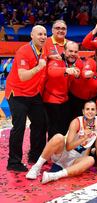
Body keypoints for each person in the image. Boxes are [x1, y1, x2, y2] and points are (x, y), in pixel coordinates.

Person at [26, 101, 97, 184]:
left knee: (91, 160)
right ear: (83, 111)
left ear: (96, 111)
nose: (90, 112)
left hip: (76, 159)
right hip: (63, 153)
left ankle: (54, 176)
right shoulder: (76, 122)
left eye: (92, 109)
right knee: (58, 137)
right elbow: (68, 147)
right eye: (87, 109)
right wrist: (83, 138)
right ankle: (36, 167)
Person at [5, 25, 48, 172]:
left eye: (44, 34)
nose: (43, 37)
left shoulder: (43, 49)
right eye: (39, 34)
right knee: (19, 127)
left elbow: (47, 57)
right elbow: (23, 76)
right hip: (17, 93)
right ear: (32, 36)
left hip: (32, 93)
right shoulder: (23, 51)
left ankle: (34, 155)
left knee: (40, 123)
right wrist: (39, 68)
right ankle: (14, 162)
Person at [43, 41, 82, 139]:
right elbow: (51, 72)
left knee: (64, 128)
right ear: (64, 51)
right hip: (51, 100)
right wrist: (65, 70)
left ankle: (61, 151)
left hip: (64, 100)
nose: (73, 54)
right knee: (54, 130)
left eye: (75, 52)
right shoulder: (57, 60)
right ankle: (51, 152)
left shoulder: (75, 63)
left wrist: (78, 76)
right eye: (70, 51)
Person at [69, 47, 97, 119]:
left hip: (92, 98)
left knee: (92, 122)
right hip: (76, 98)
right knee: (75, 121)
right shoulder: (91, 62)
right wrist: (86, 74)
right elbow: (85, 70)